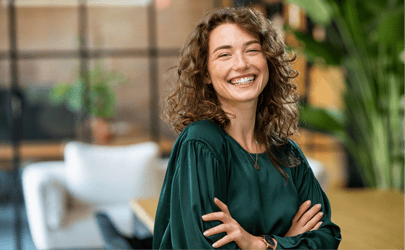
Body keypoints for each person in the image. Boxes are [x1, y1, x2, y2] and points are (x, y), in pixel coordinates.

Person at [153, 7, 341, 250]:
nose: (241, 64)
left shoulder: (287, 153)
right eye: (224, 55)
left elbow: (326, 238)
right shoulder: (201, 143)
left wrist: (258, 244)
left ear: (268, 61)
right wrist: (288, 240)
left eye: (252, 50)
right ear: (206, 73)